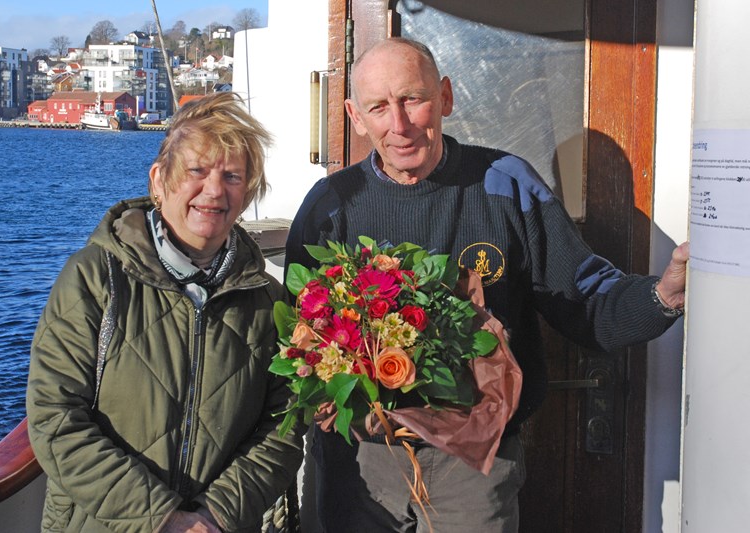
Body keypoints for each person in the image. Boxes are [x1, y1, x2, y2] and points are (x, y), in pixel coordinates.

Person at [284, 37, 688, 532]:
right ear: (354, 115)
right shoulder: (330, 205)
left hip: (474, 466)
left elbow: (582, 299)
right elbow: (297, 344)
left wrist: (662, 297)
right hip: (359, 465)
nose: (399, 124)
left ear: (446, 97)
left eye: (413, 98)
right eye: (378, 106)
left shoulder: (505, 183)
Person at [27, 92, 304, 533]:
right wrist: (163, 519)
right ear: (159, 180)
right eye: (197, 170)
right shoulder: (96, 278)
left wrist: (214, 517)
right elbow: (54, 416)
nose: (214, 190)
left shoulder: (267, 300)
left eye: (232, 176)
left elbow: (283, 426)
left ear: (248, 193)